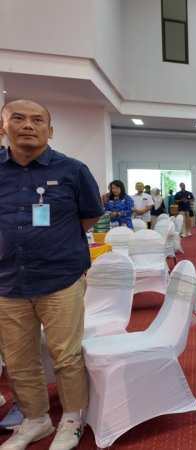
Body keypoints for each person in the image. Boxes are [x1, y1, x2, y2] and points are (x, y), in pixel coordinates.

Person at [0, 99, 105, 449]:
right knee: (18, 358)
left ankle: (72, 418)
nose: (28, 125)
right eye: (18, 118)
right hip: (7, 280)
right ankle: (36, 419)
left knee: (66, 354)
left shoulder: (73, 170)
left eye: (37, 120)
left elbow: (89, 216)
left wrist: (51, 240)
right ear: (4, 126)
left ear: (50, 130)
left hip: (61, 277)